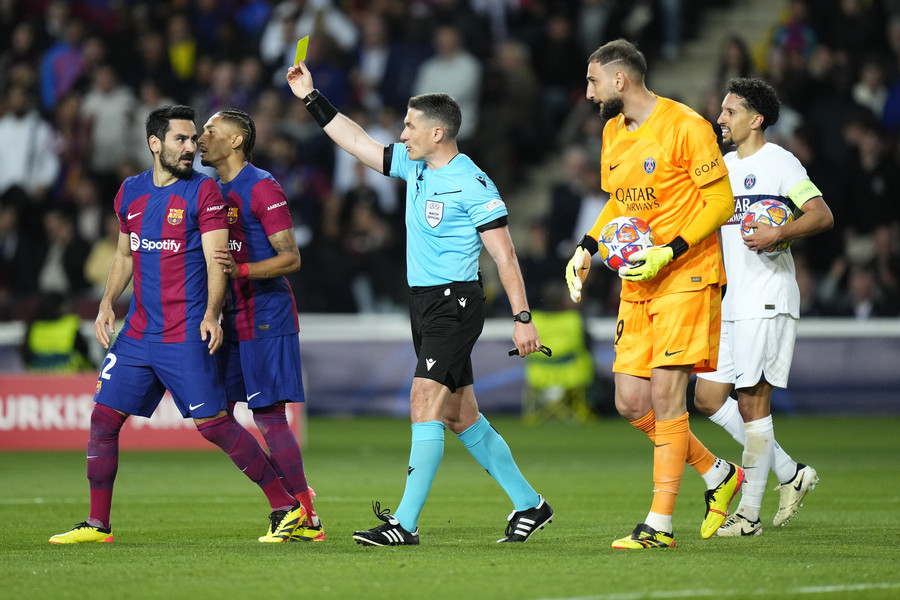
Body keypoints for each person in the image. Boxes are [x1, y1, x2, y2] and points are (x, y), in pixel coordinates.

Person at [286, 62, 553, 546]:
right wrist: (310, 96)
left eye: (409, 126)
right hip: (425, 302)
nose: (401, 133)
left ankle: (403, 525)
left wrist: (522, 318)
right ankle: (531, 504)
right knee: (458, 414)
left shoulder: (472, 183)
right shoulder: (415, 165)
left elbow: (504, 254)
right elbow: (358, 141)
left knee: (423, 401)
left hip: (456, 302)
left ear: (436, 132)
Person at [49, 105, 304, 544]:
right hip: (137, 334)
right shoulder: (130, 192)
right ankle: (97, 524)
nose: (191, 147)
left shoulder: (205, 193)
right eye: (181, 140)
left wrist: (210, 315)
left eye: (193, 139)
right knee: (103, 421)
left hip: (185, 333)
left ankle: (287, 506)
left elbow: (216, 261)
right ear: (155, 143)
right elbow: (125, 255)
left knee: (215, 426)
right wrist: (107, 303)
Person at [565, 39, 742, 549]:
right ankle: (717, 473)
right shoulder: (611, 133)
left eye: (594, 81)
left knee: (667, 395)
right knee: (629, 400)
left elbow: (721, 200)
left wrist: (673, 249)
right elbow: (619, 204)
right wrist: (587, 247)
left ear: (620, 81)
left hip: (687, 273)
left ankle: (659, 525)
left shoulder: (687, 126)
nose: (589, 92)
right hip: (637, 280)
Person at [693, 77, 833, 536]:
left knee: (753, 401)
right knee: (708, 398)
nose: (720, 119)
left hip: (768, 297)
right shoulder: (723, 166)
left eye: (729, 112)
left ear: (756, 119)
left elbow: (820, 214)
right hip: (733, 299)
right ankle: (791, 473)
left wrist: (780, 232)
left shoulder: (780, 162)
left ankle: (748, 516)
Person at [198, 108, 323, 542]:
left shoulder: (262, 186)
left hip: (266, 316)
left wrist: (241, 271)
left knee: (269, 416)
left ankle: (303, 515)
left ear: (236, 141)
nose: (201, 137)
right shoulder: (210, 189)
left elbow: (292, 257)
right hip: (228, 319)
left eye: (211, 130)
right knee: (212, 415)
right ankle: (291, 502)